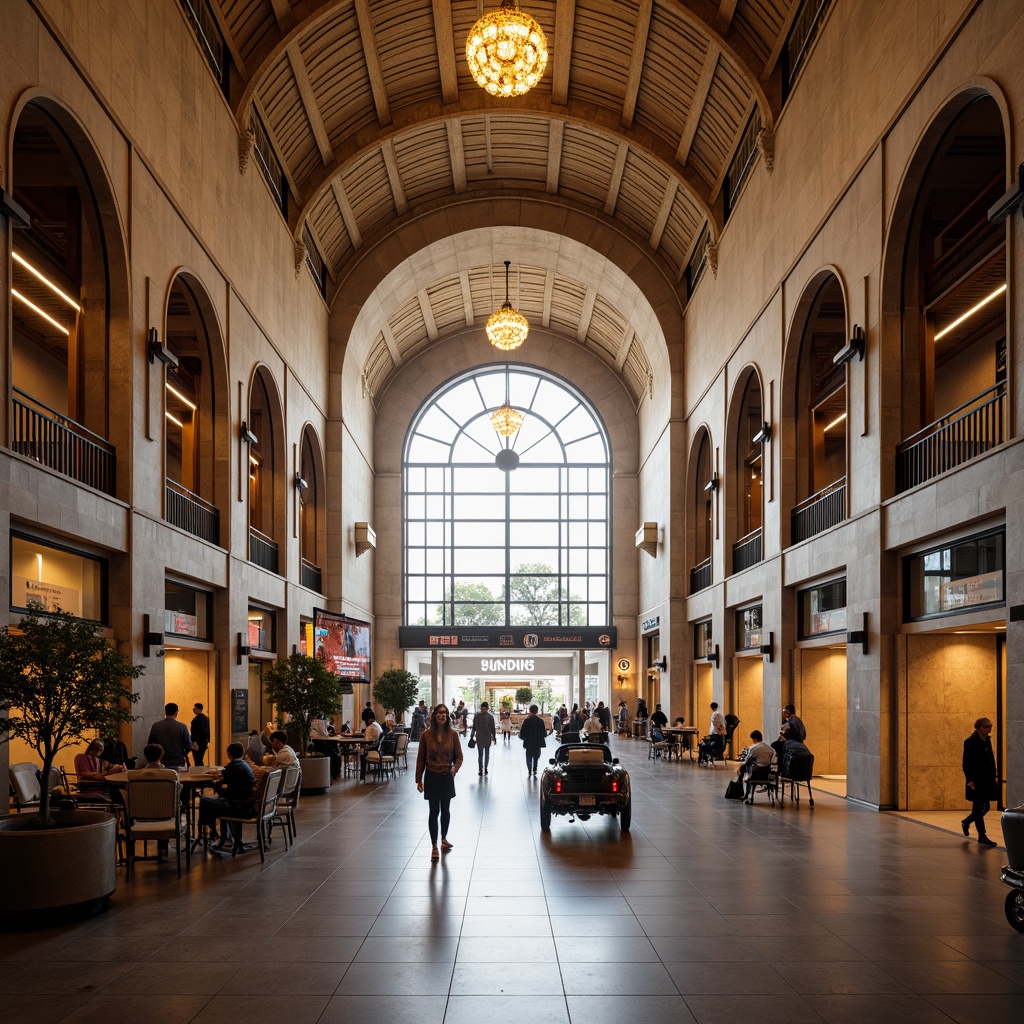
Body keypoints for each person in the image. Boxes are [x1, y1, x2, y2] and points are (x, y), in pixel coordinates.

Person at [415, 704, 463, 860]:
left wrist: (454, 769)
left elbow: (459, 757)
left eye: (445, 713)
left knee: (446, 810)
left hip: (446, 776)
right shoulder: (426, 735)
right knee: (434, 811)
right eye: (439, 713)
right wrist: (418, 779)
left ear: (448, 716)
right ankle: (434, 845)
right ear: (434, 716)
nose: (442, 716)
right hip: (432, 776)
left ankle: (444, 838)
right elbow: (420, 759)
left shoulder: (453, 735)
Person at [198, 742, 255, 845]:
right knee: (210, 801)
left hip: (238, 806)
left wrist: (214, 785)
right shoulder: (245, 765)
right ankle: (216, 833)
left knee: (205, 801)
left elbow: (227, 794)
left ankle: (211, 833)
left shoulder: (232, 768)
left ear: (228, 754)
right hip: (247, 804)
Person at [962, 717, 999, 847]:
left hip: (987, 779)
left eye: (990, 726)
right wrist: (970, 780)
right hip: (977, 780)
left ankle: (967, 821)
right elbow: (966, 763)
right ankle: (982, 836)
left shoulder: (987, 740)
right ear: (978, 728)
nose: (989, 729)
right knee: (978, 808)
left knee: (986, 807)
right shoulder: (970, 742)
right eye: (986, 727)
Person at [147, 703, 193, 768]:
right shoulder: (182, 727)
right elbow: (189, 746)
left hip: (161, 760)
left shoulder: (156, 726)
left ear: (165, 712)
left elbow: (150, 744)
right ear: (176, 712)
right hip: (178, 760)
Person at [469, 701, 497, 776]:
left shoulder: (477, 717)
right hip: (487, 738)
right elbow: (493, 729)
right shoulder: (490, 717)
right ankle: (486, 769)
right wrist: (494, 738)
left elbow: (473, 728)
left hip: (479, 738)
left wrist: (471, 736)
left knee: (480, 754)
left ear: (481, 708)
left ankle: (480, 770)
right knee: (487, 754)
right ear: (487, 708)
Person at [520, 704, 547, 777]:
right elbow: (544, 733)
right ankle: (535, 768)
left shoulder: (527, 721)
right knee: (536, 756)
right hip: (537, 743)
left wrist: (523, 737)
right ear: (537, 711)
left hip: (528, 743)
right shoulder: (540, 721)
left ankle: (529, 770)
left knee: (528, 756)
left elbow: (522, 732)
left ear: (530, 711)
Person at [359, 711, 384, 780]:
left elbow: (367, 740)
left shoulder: (370, 728)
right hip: (379, 748)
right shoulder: (378, 725)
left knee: (362, 754)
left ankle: (362, 776)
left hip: (373, 749)